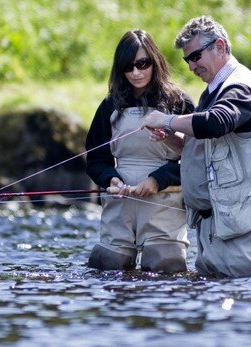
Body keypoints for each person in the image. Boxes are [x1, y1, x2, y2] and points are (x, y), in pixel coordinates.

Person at [141, 16, 251, 278]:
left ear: (221, 47)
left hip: (246, 222)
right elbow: (212, 150)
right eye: (187, 60)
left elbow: (215, 123)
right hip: (222, 221)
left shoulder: (240, 88)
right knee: (213, 292)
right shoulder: (215, 91)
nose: (192, 66)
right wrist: (172, 138)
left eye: (195, 56)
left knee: (239, 297)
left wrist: (167, 119)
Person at [85, 29, 194, 273]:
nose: (136, 72)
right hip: (119, 203)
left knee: (163, 267)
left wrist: (158, 179)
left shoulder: (179, 103)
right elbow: (95, 160)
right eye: (128, 66)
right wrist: (110, 179)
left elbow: (197, 158)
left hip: (166, 201)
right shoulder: (109, 105)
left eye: (143, 64)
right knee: (109, 267)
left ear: (155, 61)